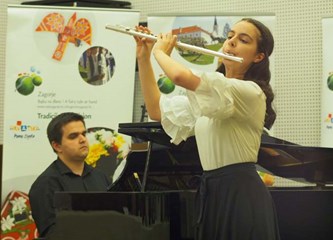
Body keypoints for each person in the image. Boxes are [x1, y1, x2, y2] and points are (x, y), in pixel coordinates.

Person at [135, 18, 280, 240]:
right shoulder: (209, 98)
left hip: (241, 193)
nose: (231, 42)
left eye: (243, 40)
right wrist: (144, 56)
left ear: (259, 56)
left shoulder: (250, 92)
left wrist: (160, 52)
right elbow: (156, 110)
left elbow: (179, 76)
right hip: (213, 190)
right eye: (230, 36)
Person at [29, 112, 111, 238]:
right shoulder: (45, 184)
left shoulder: (101, 177)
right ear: (57, 146)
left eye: (84, 134)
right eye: (73, 136)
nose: (82, 139)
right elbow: (52, 234)